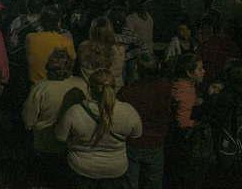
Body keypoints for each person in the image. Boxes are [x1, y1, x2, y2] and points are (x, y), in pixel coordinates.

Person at [55, 69, 142, 187]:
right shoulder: (128, 111)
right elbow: (137, 134)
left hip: (82, 169)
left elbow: (60, 137)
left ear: (89, 89)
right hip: (115, 170)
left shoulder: (75, 112)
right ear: (114, 88)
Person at [22, 50, 87, 186]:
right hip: (73, 146)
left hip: (45, 145)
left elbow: (28, 121)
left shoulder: (40, 88)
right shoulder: (82, 85)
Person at [118, 57, 171, 189]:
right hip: (156, 142)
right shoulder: (165, 89)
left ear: (136, 69)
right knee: (154, 183)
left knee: (130, 183)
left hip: (133, 142)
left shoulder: (127, 91)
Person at [169, 54, 208, 189]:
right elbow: (183, 122)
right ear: (189, 73)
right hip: (184, 141)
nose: (203, 71)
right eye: (199, 69)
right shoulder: (186, 90)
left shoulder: (179, 85)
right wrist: (198, 123)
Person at [25, 6, 75, 83]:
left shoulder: (30, 37)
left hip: (35, 85)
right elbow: (72, 62)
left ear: (41, 21)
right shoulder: (65, 40)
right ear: (59, 22)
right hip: (58, 85)